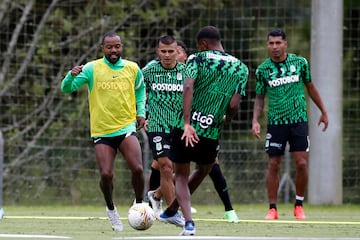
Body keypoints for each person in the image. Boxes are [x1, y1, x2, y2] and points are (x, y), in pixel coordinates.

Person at [159, 26, 248, 236]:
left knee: (181, 175)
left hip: (184, 128)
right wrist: (226, 118)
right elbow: (235, 105)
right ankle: (172, 210)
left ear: (203, 44)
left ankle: (187, 221)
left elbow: (188, 87)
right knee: (205, 168)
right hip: (211, 131)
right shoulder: (241, 68)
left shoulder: (196, 59)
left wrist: (188, 123)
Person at [61, 31, 146, 231]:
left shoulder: (132, 68)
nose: (114, 50)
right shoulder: (92, 68)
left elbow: (140, 91)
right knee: (106, 174)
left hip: (126, 127)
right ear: (102, 49)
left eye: (117, 46)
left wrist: (140, 113)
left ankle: (139, 205)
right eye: (109, 47)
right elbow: (67, 89)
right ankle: (111, 209)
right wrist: (69, 75)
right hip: (102, 131)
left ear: (121, 47)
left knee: (138, 169)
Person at [251, 28, 329, 220]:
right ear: (267, 45)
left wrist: (324, 111)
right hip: (276, 123)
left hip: (299, 120)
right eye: (271, 43)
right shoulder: (263, 70)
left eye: (278, 43)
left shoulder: (300, 63)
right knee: (273, 164)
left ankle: (299, 205)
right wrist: (255, 120)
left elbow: (310, 87)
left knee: (302, 163)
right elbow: (260, 97)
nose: (275, 47)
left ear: (285, 44)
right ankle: (272, 209)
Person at [142, 35, 186, 219]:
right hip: (157, 126)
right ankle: (173, 213)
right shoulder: (148, 71)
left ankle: (156, 194)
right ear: (157, 51)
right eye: (163, 51)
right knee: (166, 166)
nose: (167, 55)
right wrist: (141, 114)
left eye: (171, 51)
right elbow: (137, 93)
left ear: (178, 52)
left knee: (180, 170)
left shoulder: (187, 71)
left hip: (179, 127)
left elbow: (195, 96)